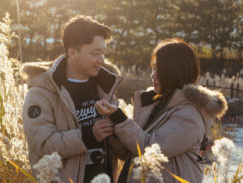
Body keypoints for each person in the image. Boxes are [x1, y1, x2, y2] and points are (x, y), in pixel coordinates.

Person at [95, 38, 228, 183]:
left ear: (174, 72)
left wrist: (119, 118)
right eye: (153, 68)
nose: (153, 75)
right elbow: (133, 153)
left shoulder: (190, 117)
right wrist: (114, 130)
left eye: (159, 70)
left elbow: (151, 149)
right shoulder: (159, 104)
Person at [22, 15, 123, 183]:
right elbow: (42, 142)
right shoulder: (42, 92)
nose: (102, 60)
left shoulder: (105, 86)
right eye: (95, 53)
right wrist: (89, 136)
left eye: (103, 53)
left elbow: (118, 142)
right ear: (72, 53)